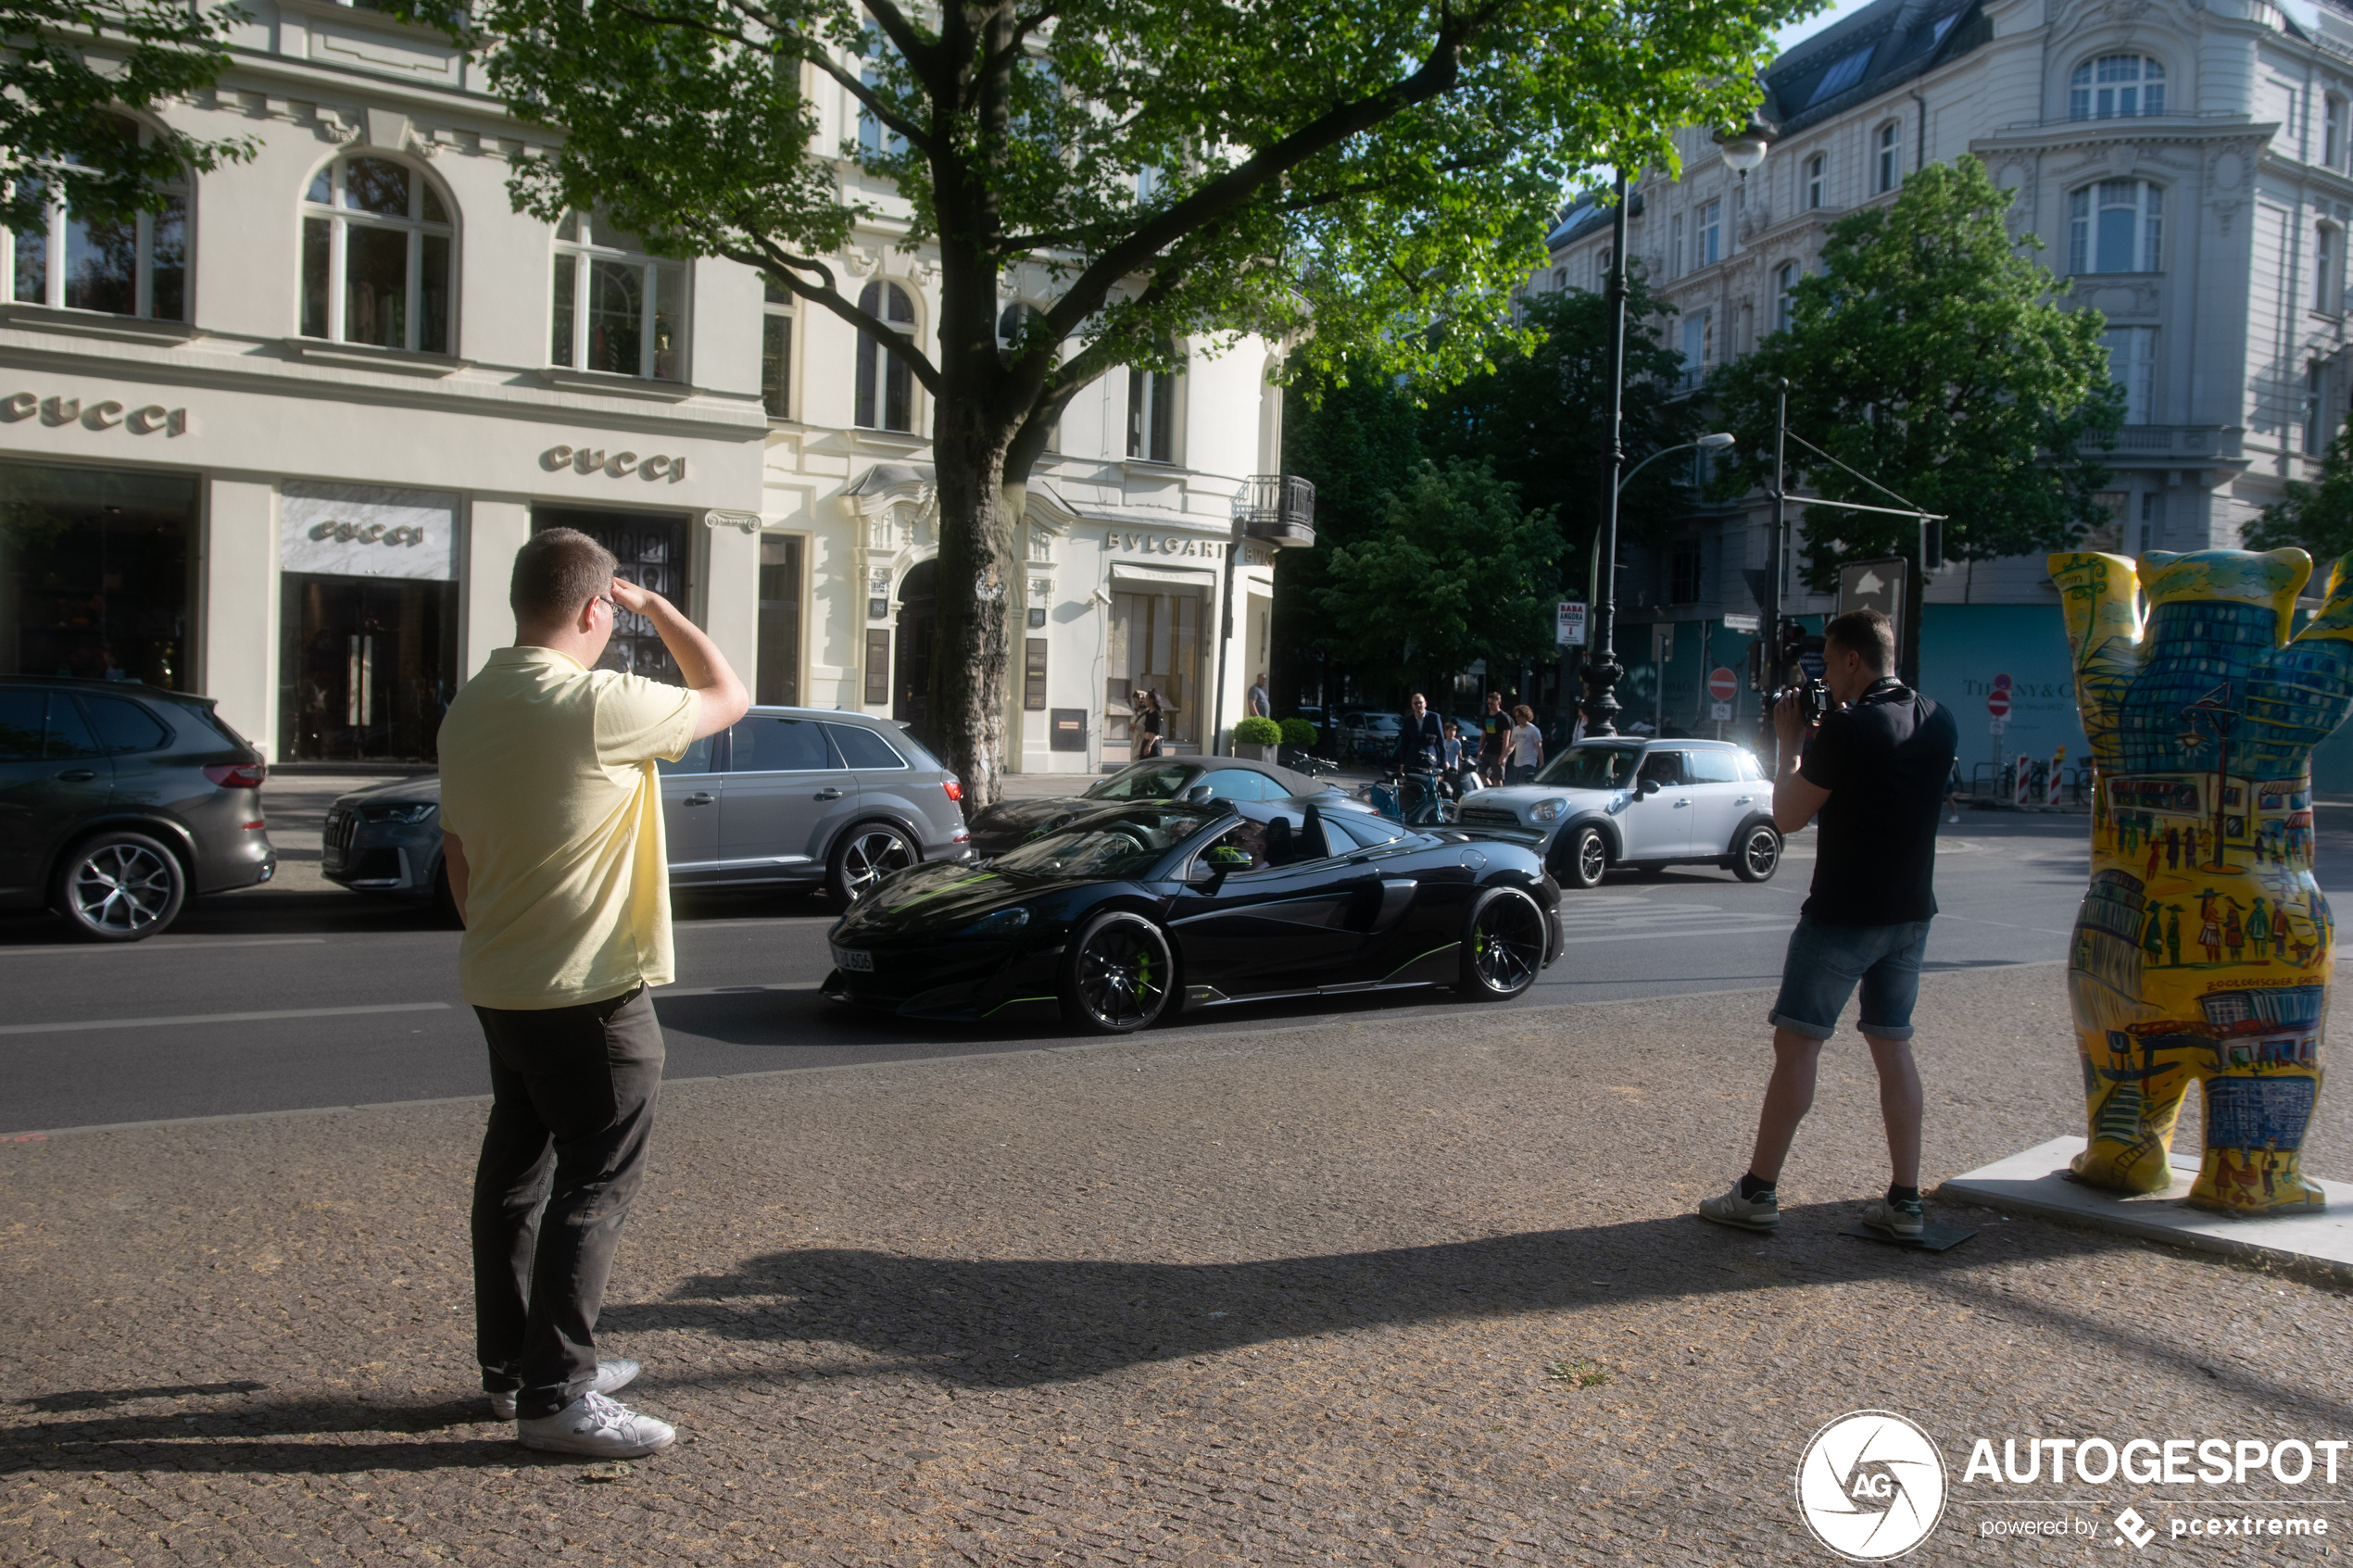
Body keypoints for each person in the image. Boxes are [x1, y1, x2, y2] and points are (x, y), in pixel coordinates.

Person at [437, 528, 749, 1459]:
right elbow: (730, 696)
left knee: (514, 1180)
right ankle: (556, 1393)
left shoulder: (472, 706)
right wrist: (658, 609)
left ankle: (514, 1366)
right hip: (592, 989)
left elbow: (457, 855)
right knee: (593, 1185)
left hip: (501, 980)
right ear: (592, 609)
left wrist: (502, 939)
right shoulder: (595, 703)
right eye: (612, 608)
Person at [1699, 607, 1958, 1242]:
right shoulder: (1938, 719)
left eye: (1830, 662)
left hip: (1844, 912)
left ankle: (1758, 1191)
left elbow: (1786, 816)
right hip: (1910, 914)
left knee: (1798, 1045)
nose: (1826, 677)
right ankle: (1904, 1201)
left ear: (1851, 658)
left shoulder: (1848, 727)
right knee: (1893, 1046)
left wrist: (1792, 742)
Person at [1477, 691, 1510, 786]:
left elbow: (1506, 738)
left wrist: (1503, 755)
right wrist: (1480, 750)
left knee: (1497, 778)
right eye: (1488, 703)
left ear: (1499, 703)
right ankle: (1491, 789)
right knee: (1480, 773)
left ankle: (1498, 794)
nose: (1490, 705)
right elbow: (1483, 735)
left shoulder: (1504, 718)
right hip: (1487, 750)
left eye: (1492, 703)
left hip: (1498, 751)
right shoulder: (1485, 716)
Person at [1506, 704, 1543, 784]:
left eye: (1519, 716)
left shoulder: (1533, 730)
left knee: (1523, 784)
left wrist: (1541, 763)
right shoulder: (1516, 729)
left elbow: (1539, 748)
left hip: (1529, 762)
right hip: (1517, 763)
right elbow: (1512, 745)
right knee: (1517, 783)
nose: (1517, 719)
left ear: (1526, 715)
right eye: (1516, 716)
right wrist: (1504, 756)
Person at [1135, 689, 1164, 759]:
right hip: (1145, 742)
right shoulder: (1147, 713)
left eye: (1146, 697)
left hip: (1152, 744)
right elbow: (1145, 730)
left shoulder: (1157, 713)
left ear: (1151, 700)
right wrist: (1142, 746)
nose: (1144, 699)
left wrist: (1149, 745)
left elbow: (1156, 731)